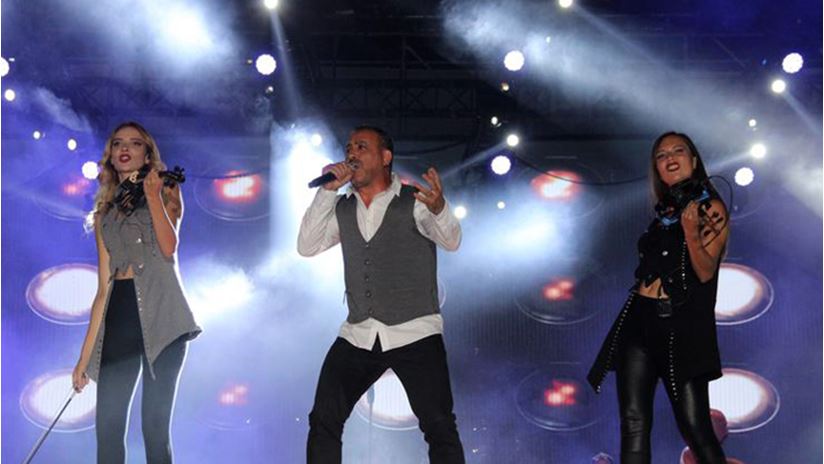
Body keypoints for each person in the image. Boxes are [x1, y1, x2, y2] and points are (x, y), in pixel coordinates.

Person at [298, 125, 465, 463]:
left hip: (415, 331)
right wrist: (327, 192)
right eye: (348, 148)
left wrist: (439, 209)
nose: (351, 154)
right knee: (324, 418)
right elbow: (307, 246)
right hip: (359, 333)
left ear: (385, 157)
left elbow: (452, 241)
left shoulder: (414, 201)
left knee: (439, 426)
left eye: (361, 147)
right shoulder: (342, 207)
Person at [588, 132, 730, 464]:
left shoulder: (711, 207)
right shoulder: (663, 215)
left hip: (681, 326)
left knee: (695, 426)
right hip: (639, 321)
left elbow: (705, 272)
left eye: (678, 151)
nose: (670, 158)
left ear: (693, 160)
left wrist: (692, 233)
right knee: (633, 423)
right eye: (661, 155)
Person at [72, 121, 201, 463]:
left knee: (154, 429)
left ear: (147, 155)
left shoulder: (167, 190)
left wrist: (153, 196)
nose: (125, 148)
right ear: (111, 155)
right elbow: (103, 289)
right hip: (120, 315)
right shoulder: (105, 214)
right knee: (108, 429)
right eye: (118, 143)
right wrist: (84, 358)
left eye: (135, 143)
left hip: (164, 316)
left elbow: (168, 246)